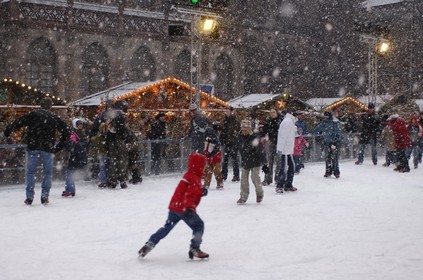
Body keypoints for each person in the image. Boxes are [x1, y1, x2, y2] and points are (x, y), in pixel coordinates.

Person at [138, 153, 209, 260]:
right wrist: (189, 208)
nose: (204, 168)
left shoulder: (188, 175)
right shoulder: (195, 178)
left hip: (175, 208)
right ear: (199, 166)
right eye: (203, 165)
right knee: (199, 225)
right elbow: (190, 194)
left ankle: (150, 243)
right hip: (185, 209)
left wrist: (200, 191)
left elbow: (186, 191)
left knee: (166, 228)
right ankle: (195, 247)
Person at [3, 97, 70, 205]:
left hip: (33, 147)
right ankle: (44, 195)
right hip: (47, 148)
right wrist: (58, 146)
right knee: (48, 173)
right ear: (50, 106)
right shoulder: (53, 117)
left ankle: (29, 196)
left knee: (30, 172)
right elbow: (66, 131)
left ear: (41, 105)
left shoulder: (33, 114)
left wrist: (8, 131)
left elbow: (18, 122)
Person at [237, 119, 266, 205]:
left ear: (250, 129)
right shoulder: (240, 136)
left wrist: (264, 163)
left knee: (254, 176)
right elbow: (239, 147)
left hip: (255, 160)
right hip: (246, 160)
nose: (244, 131)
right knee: (244, 179)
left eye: (246, 129)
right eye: (243, 129)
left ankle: (260, 193)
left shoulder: (255, 137)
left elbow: (261, 150)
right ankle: (243, 196)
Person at [105, 99, 129, 189]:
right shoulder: (120, 115)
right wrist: (125, 136)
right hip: (118, 139)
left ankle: (113, 181)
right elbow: (122, 127)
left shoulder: (109, 115)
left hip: (111, 140)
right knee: (122, 160)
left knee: (113, 161)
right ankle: (122, 181)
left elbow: (107, 128)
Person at [62, 118, 89, 197]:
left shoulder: (74, 133)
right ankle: (70, 189)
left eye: (81, 124)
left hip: (77, 155)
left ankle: (70, 190)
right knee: (70, 172)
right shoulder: (77, 133)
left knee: (69, 172)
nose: (80, 126)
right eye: (79, 124)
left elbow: (73, 144)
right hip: (78, 155)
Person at [313, 111, 342, 178]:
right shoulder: (324, 123)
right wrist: (313, 132)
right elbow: (317, 129)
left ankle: (336, 172)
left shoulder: (334, 123)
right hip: (326, 143)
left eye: (326, 117)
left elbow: (338, 133)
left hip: (334, 143)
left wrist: (335, 142)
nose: (325, 118)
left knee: (334, 158)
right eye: (324, 117)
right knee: (327, 158)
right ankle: (328, 171)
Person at [275, 111, 297, 193]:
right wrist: (280, 148)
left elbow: (289, 135)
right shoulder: (288, 122)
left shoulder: (289, 122)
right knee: (284, 168)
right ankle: (280, 185)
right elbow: (282, 136)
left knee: (291, 166)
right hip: (285, 150)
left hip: (288, 149)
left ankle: (287, 184)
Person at [261, 108, 282, 185]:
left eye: (274, 112)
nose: (272, 114)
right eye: (271, 112)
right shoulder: (268, 122)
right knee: (269, 162)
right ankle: (267, 179)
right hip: (271, 143)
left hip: (279, 143)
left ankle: (277, 178)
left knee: (279, 162)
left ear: (277, 113)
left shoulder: (280, 121)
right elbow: (263, 131)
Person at [220, 107, 240, 182]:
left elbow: (236, 132)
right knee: (225, 159)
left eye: (228, 111)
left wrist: (235, 141)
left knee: (234, 159)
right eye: (226, 111)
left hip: (233, 142)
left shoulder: (235, 121)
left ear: (231, 112)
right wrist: (222, 140)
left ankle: (236, 175)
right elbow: (223, 131)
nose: (227, 113)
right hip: (227, 142)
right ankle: (224, 174)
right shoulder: (225, 121)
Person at [203, 124, 223, 190]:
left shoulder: (214, 138)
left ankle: (219, 183)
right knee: (208, 171)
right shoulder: (209, 137)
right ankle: (206, 184)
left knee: (216, 171)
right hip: (209, 155)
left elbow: (217, 148)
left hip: (214, 156)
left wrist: (210, 154)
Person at [90, 122, 108, 188]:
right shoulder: (102, 135)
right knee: (104, 168)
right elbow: (94, 140)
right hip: (103, 153)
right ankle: (104, 181)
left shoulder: (102, 135)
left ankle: (104, 181)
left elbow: (93, 139)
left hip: (104, 153)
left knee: (103, 168)